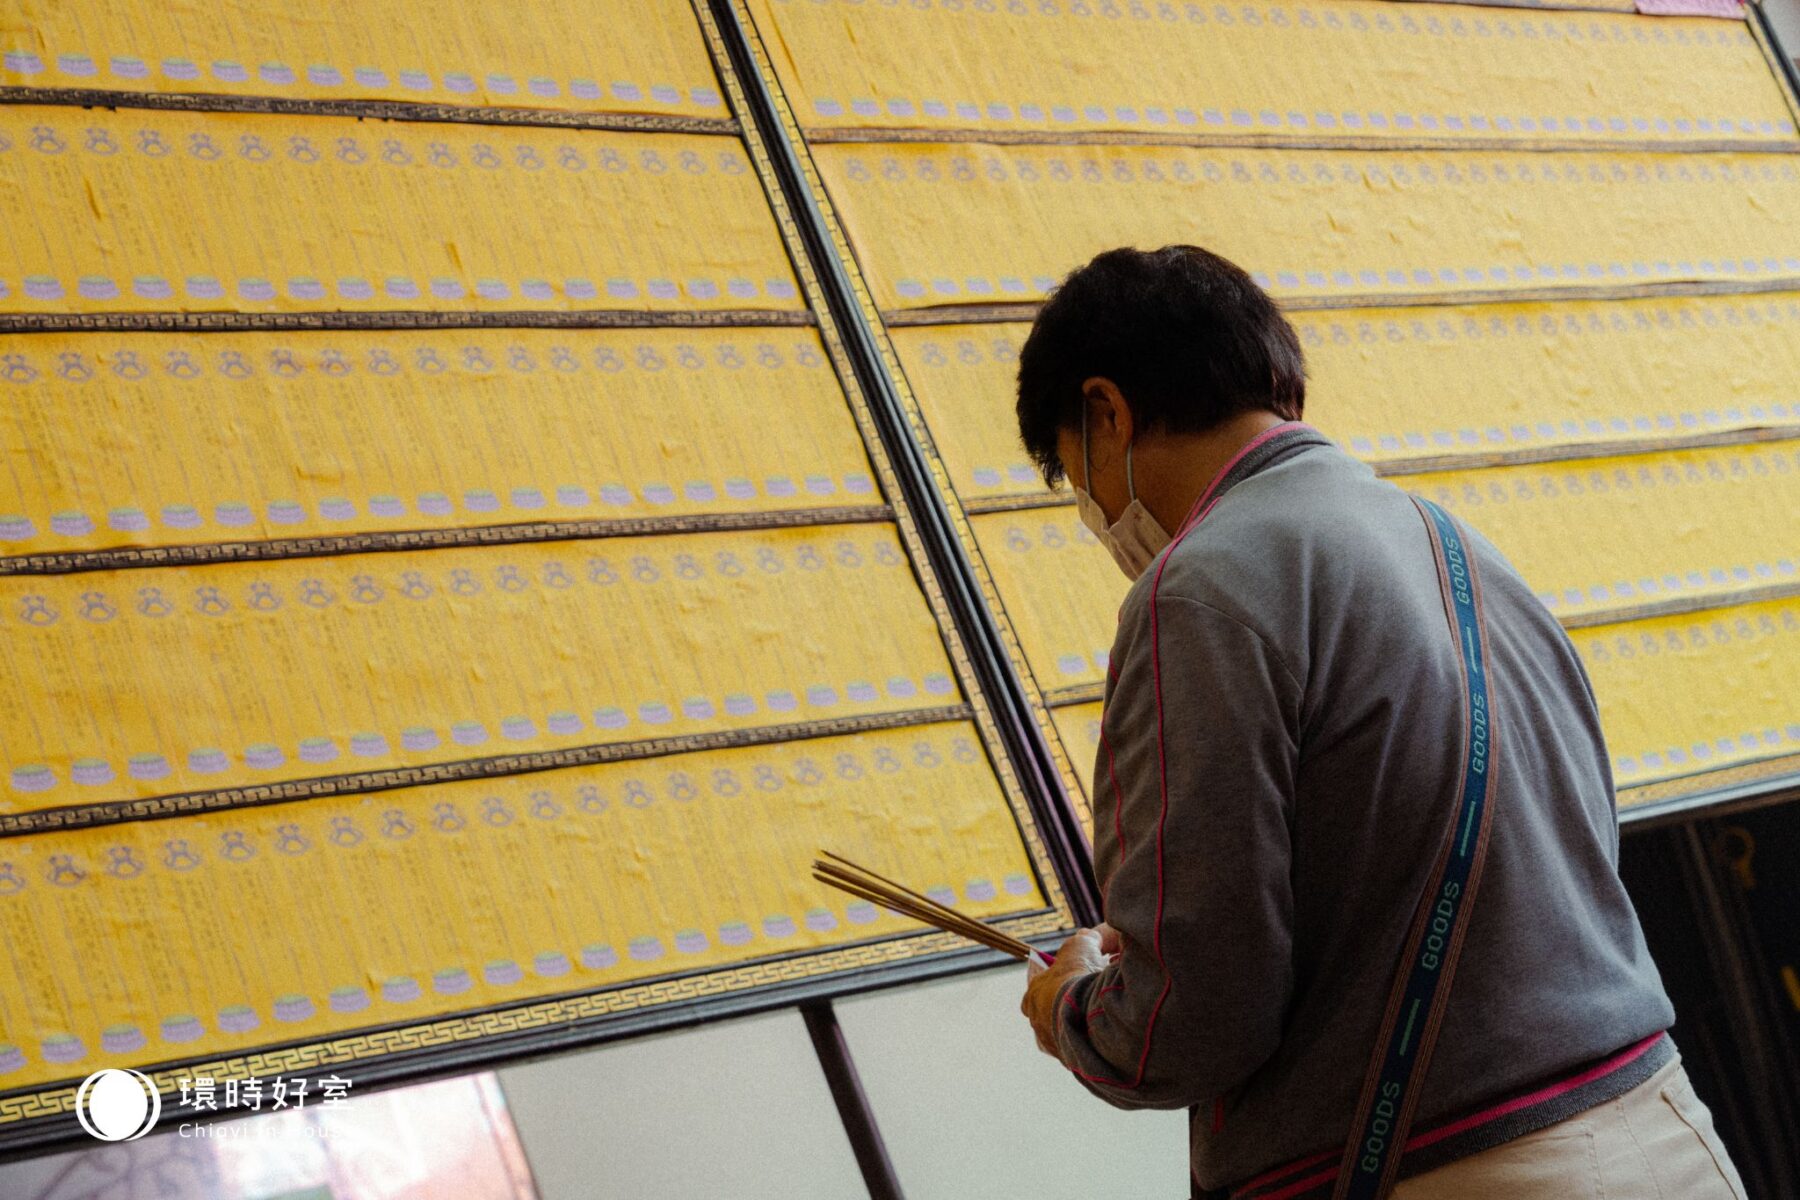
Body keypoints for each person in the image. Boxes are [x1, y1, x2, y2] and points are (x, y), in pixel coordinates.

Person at [1014, 245, 1748, 1199]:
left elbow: (1193, 1017)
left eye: (1074, 474)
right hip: (1664, 1124)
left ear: (1105, 412)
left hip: (1463, 1173)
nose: (1094, 510)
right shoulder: (1459, 543)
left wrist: (1074, 1007)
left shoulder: (1194, 591)